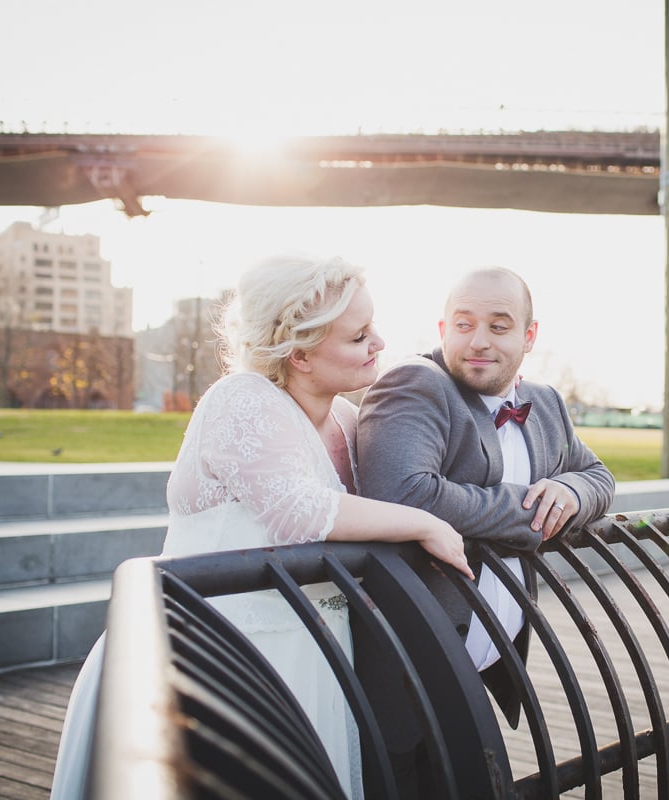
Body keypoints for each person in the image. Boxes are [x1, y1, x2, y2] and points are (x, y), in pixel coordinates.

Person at [49, 254, 472, 800]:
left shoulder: (346, 419)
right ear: (298, 354)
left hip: (314, 653)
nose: (379, 344)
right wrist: (424, 523)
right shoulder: (242, 400)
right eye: (359, 336)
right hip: (218, 655)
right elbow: (298, 512)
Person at [354, 266, 614, 792]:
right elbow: (403, 494)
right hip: (408, 664)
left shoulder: (544, 403)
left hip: (477, 661)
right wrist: (533, 516)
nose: (478, 341)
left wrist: (570, 492)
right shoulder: (414, 384)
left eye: (499, 326)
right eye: (464, 323)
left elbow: (599, 476)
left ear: (529, 335)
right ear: (443, 326)